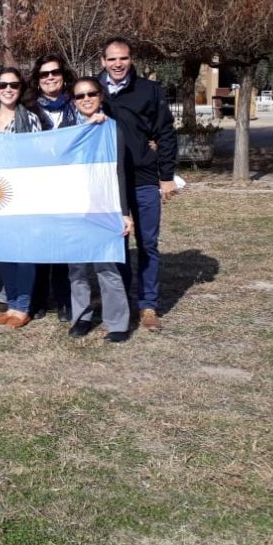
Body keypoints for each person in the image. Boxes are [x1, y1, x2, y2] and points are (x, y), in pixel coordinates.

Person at [98, 37, 178, 332]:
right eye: (112, 59)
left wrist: (166, 176)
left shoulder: (149, 90)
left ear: (131, 60)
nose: (118, 64)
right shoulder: (93, 90)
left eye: (123, 58)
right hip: (108, 182)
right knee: (116, 243)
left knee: (147, 244)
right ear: (103, 61)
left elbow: (165, 133)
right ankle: (121, 302)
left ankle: (148, 305)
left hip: (143, 178)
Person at [67, 77, 134, 343]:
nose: (86, 99)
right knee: (77, 267)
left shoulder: (112, 130)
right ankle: (81, 316)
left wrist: (123, 212)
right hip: (74, 206)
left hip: (103, 206)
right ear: (74, 101)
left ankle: (117, 323)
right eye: (80, 96)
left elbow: (119, 172)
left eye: (91, 94)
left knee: (106, 265)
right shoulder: (68, 131)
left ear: (101, 96)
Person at [0, 67, 41, 329]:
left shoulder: (31, 119)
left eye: (13, 85)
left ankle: (23, 306)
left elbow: (38, 157)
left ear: (20, 88)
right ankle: (12, 302)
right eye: (3, 85)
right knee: (4, 251)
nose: (8, 90)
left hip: (22, 195)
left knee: (23, 252)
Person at [27, 54, 79, 321]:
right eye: (44, 74)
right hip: (38, 186)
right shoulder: (29, 109)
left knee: (63, 243)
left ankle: (64, 300)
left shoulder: (77, 106)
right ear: (37, 80)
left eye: (54, 72)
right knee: (39, 242)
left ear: (63, 75)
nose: (50, 78)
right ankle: (37, 299)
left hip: (69, 185)